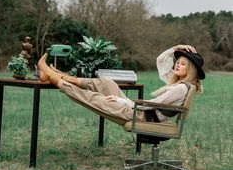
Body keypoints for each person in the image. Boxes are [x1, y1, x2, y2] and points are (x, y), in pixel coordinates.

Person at [37, 44, 205, 125]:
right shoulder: (179, 84)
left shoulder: (181, 88)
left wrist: (121, 102)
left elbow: (151, 106)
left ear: (190, 69)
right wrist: (175, 48)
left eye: (183, 64)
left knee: (94, 98)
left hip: (141, 116)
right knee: (107, 83)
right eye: (178, 61)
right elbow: (161, 61)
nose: (177, 64)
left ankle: (53, 77)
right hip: (139, 111)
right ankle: (63, 76)